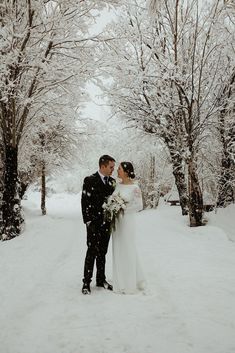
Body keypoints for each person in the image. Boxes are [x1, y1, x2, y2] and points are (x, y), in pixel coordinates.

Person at [81, 155, 116, 295]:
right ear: (103, 166)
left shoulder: (112, 182)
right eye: (111, 167)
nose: (113, 170)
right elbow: (84, 201)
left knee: (103, 252)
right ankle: (86, 282)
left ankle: (101, 279)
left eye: (114, 167)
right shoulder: (89, 180)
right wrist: (88, 221)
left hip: (107, 223)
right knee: (91, 252)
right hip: (93, 223)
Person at [112, 162, 146, 294]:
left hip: (127, 221)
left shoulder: (135, 188)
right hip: (117, 223)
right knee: (118, 248)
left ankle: (130, 282)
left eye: (119, 169)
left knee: (128, 248)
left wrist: (122, 209)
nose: (117, 171)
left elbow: (139, 206)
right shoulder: (118, 185)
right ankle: (119, 280)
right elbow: (112, 200)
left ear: (126, 171)